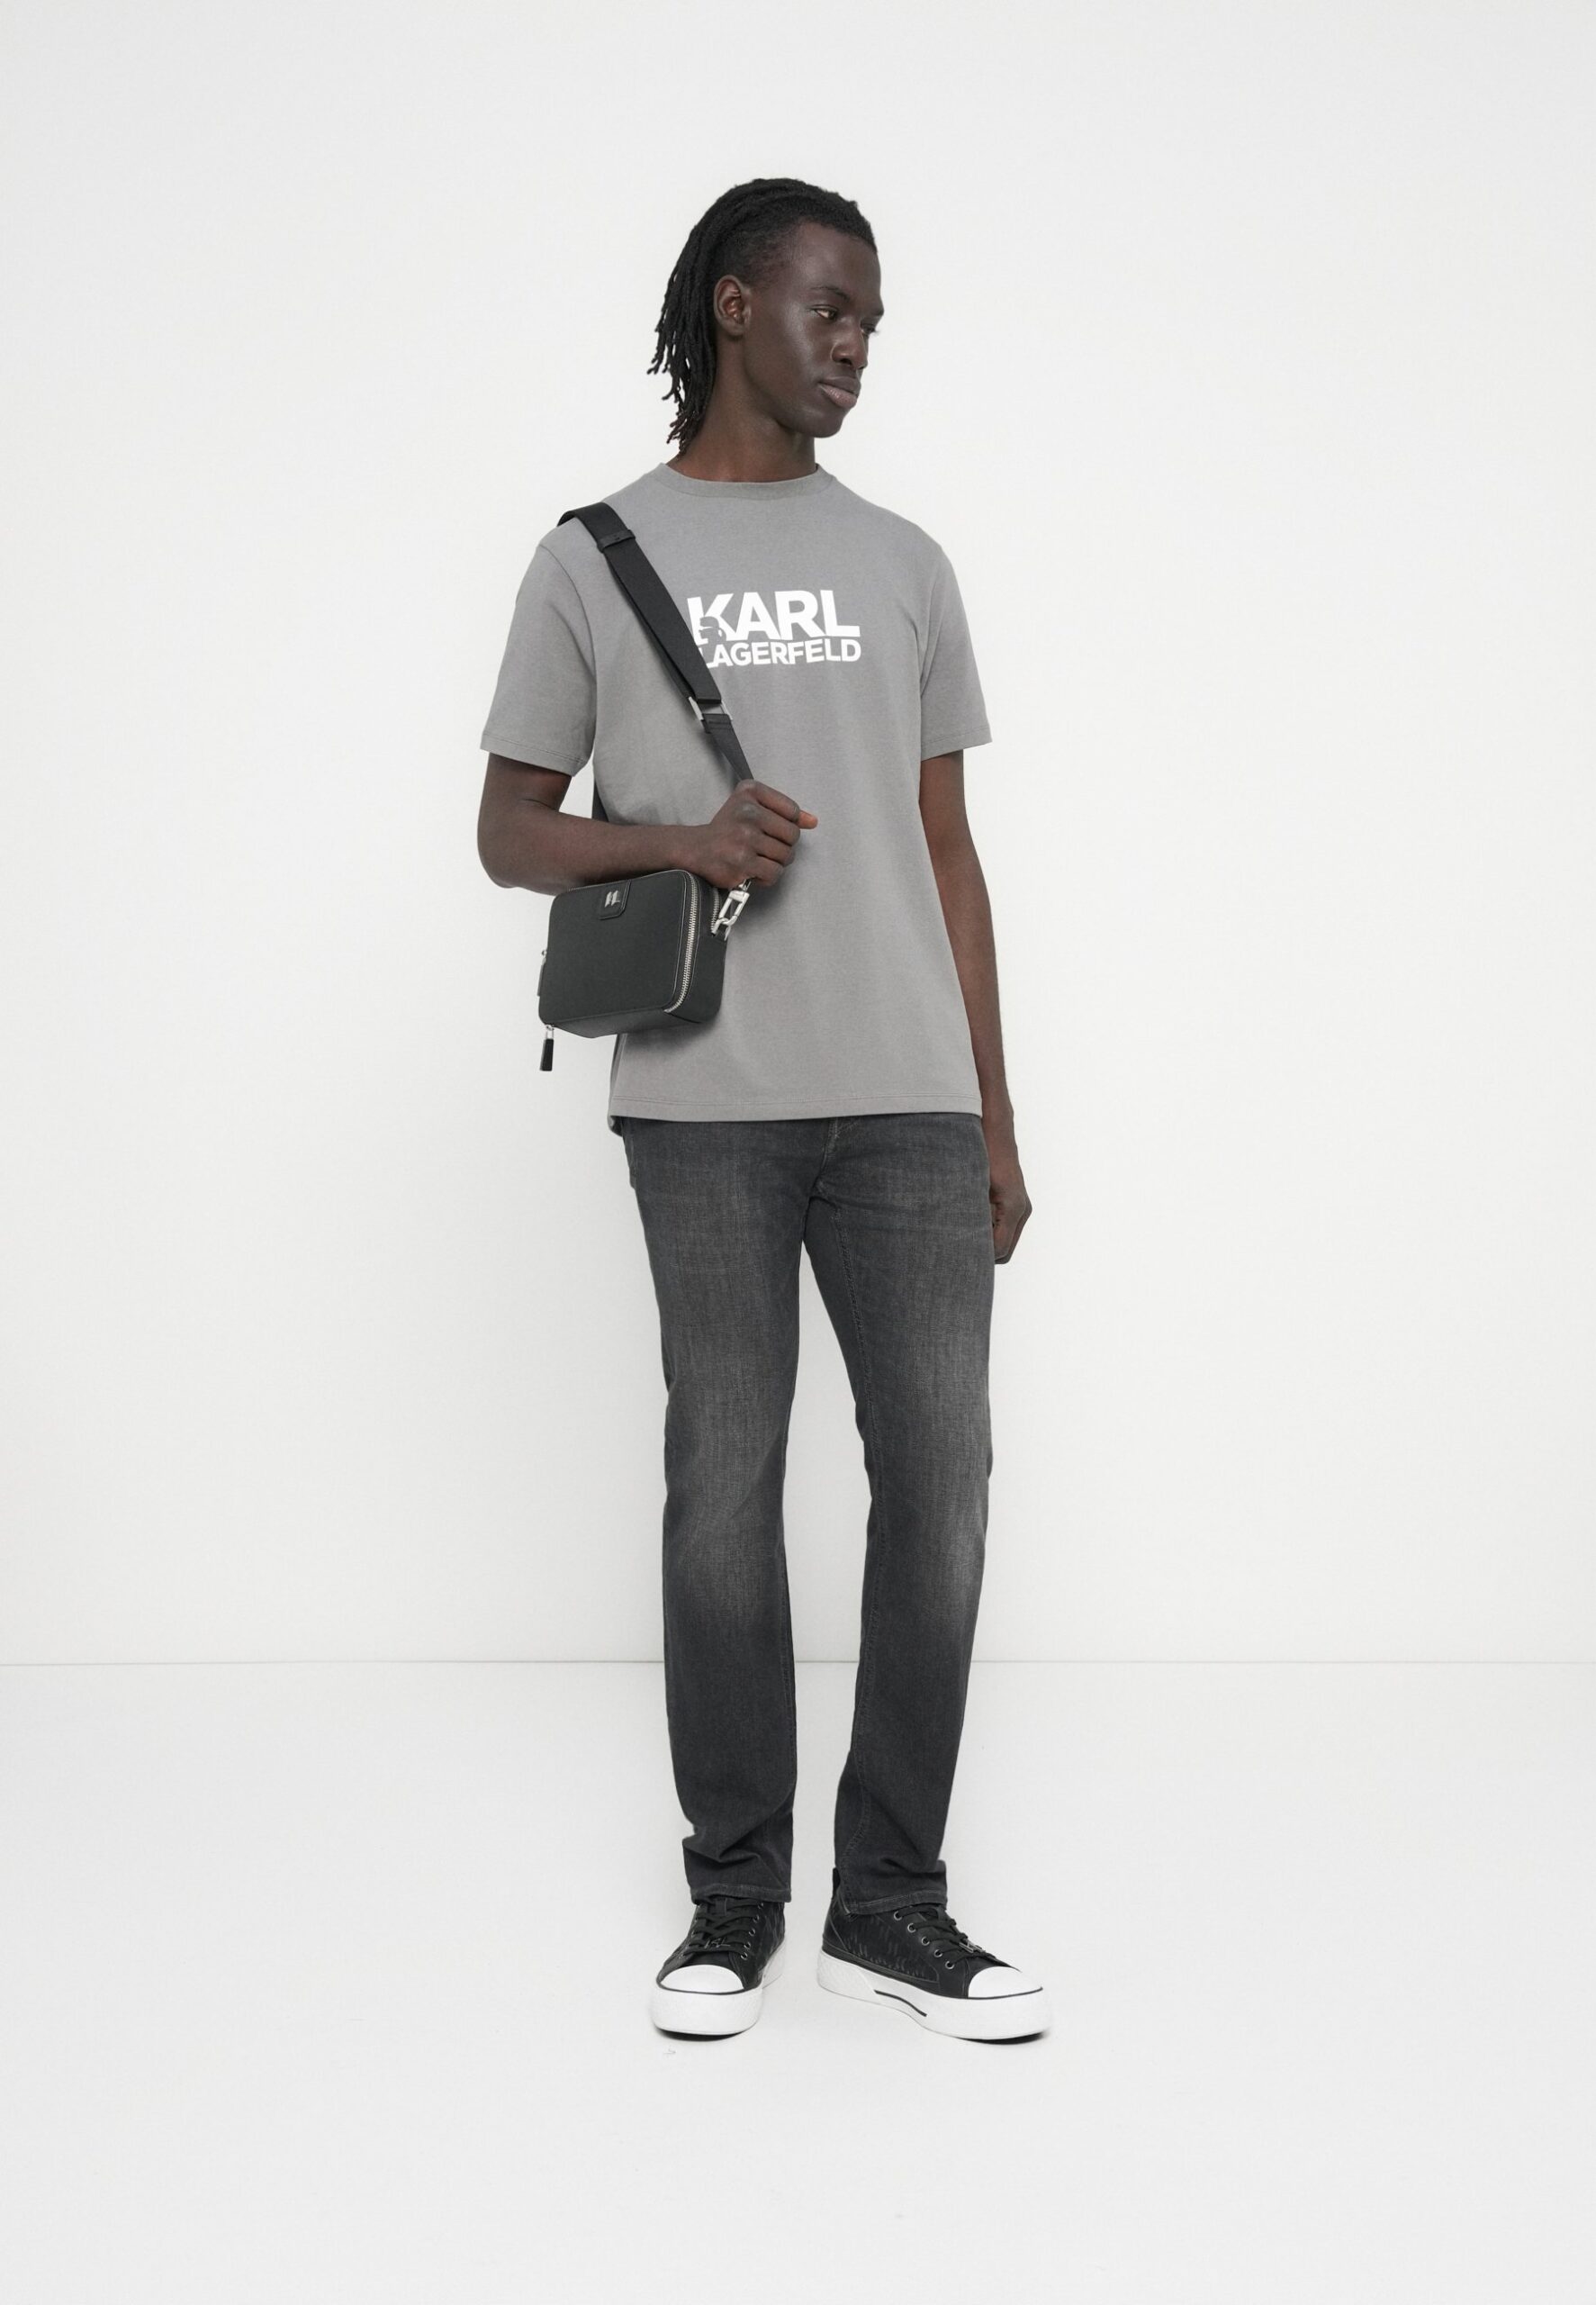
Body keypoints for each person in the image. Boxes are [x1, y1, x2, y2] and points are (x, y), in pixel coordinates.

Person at [476, 177, 1046, 2044]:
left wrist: (992, 1115)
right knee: (722, 1484)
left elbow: (947, 852)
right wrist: (677, 839)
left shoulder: (905, 560)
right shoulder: (594, 554)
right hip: (705, 1099)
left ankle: (891, 1904)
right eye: (830, 308)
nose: (856, 346)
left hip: (906, 1097)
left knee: (940, 1483)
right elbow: (506, 829)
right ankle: (734, 1895)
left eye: (872, 321)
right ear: (735, 305)